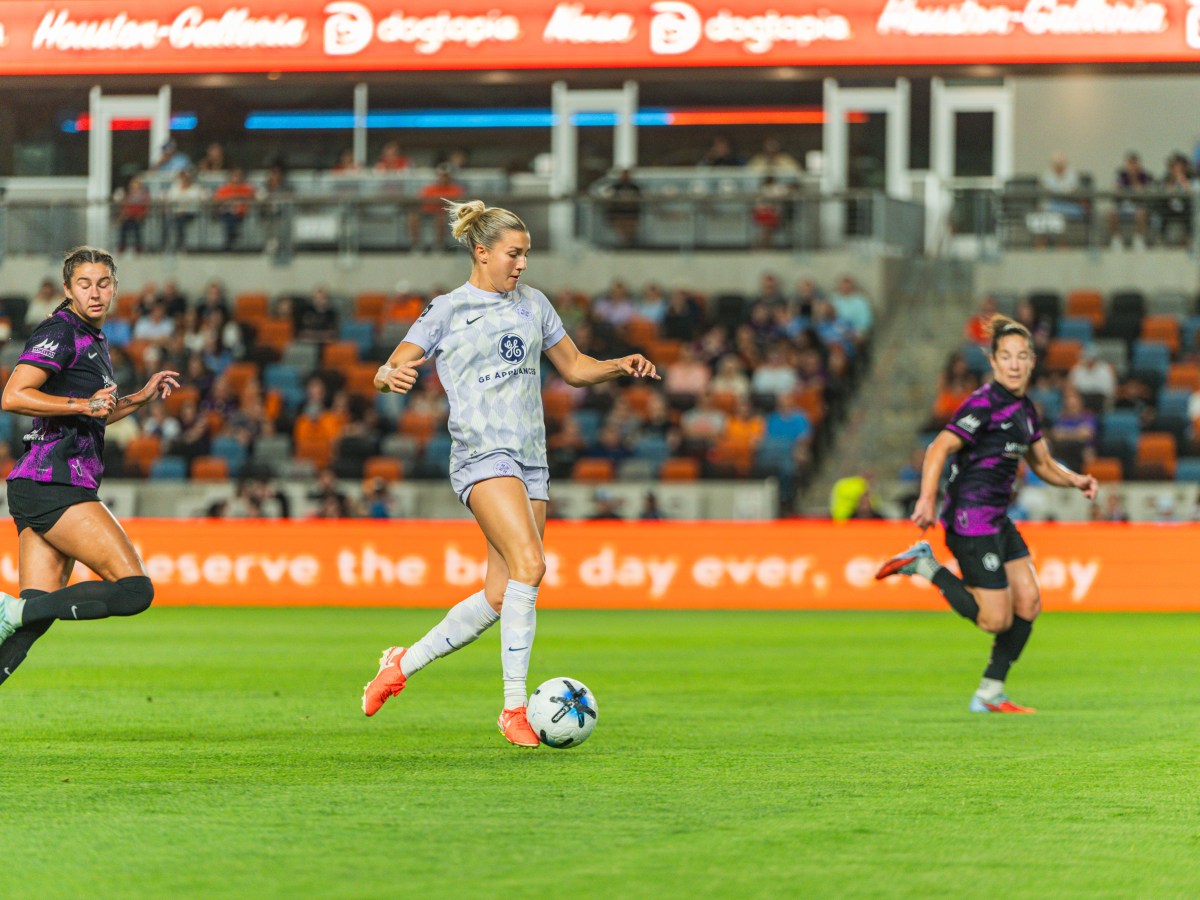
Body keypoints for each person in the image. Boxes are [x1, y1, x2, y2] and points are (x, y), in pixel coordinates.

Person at [361, 199, 659, 746]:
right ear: (481, 251)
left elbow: (573, 368)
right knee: (532, 564)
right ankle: (514, 709)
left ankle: (401, 665)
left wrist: (619, 363)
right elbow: (394, 362)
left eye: (525, 255)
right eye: (513, 254)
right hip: (480, 454)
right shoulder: (447, 310)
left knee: (500, 595)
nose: (521, 264)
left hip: (531, 459)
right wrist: (388, 377)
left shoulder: (534, 305)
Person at [875, 316, 1098, 714]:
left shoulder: (1025, 410)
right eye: (1006, 356)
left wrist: (1076, 480)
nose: (1014, 364)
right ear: (994, 362)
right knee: (994, 620)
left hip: (997, 517)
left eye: (1022, 356)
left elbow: (1043, 464)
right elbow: (938, 448)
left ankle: (990, 691)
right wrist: (927, 498)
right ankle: (925, 567)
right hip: (969, 518)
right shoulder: (983, 404)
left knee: (1028, 603)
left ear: (1031, 363)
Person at [0, 246, 180, 687]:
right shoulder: (61, 332)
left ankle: (17, 612)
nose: (95, 292)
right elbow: (13, 395)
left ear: (115, 288)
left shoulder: (93, 338)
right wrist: (83, 401)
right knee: (135, 591)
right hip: (55, 482)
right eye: (84, 284)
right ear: (68, 289)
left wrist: (137, 399)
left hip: (40, 483)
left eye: (103, 283)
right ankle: (12, 609)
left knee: (33, 623)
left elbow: (92, 412)